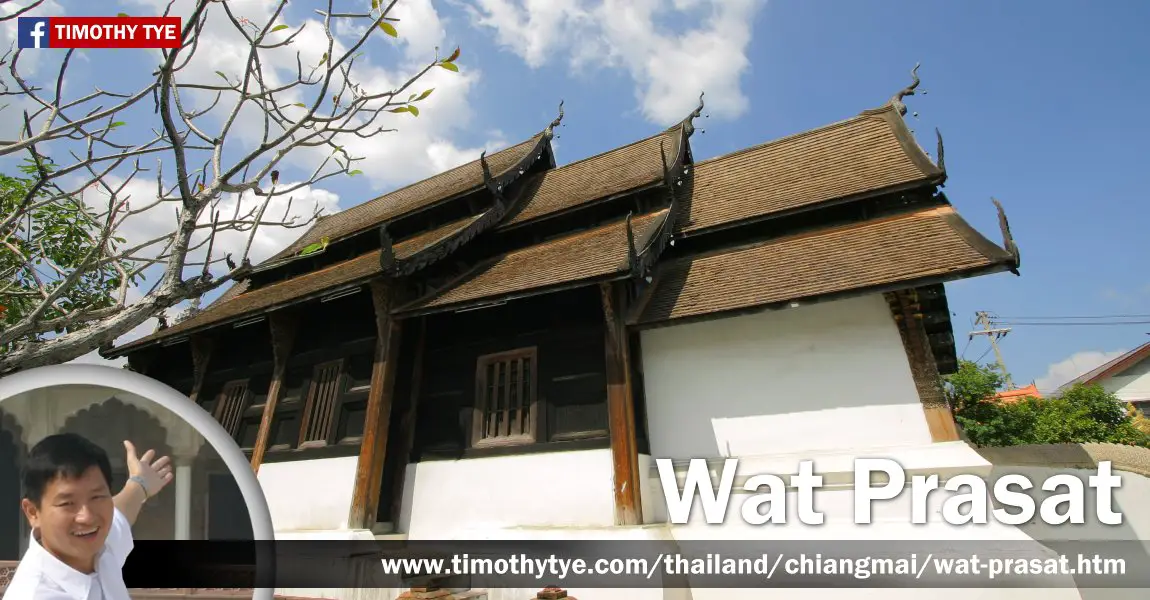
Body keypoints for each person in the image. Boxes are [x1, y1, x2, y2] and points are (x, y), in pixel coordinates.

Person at [5, 433, 174, 600]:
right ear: (33, 512)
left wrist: (140, 483)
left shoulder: (101, 549)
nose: (87, 517)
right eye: (67, 504)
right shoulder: (35, 594)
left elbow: (121, 511)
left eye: (97, 497)